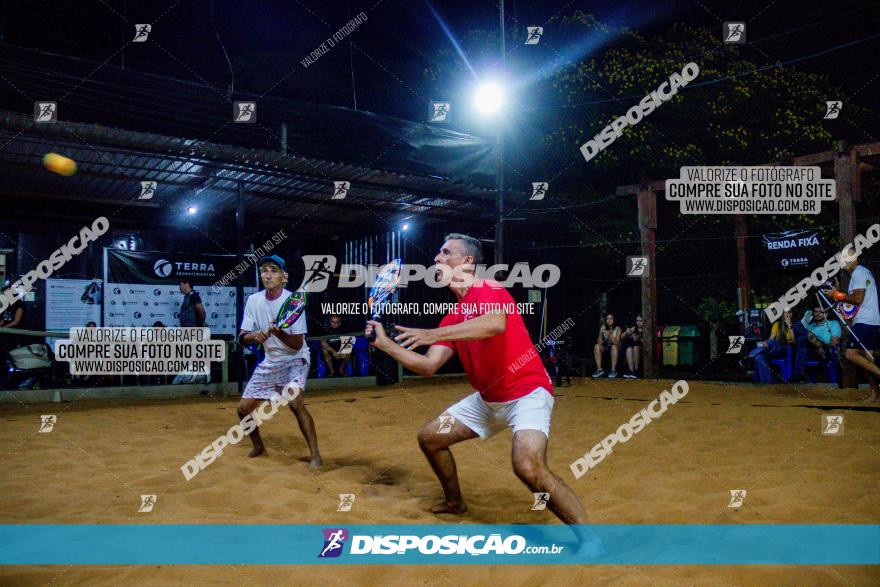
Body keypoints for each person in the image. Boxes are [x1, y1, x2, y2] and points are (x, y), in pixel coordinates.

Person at [366, 233, 592, 533]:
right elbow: (428, 366)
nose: (437, 259)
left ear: (467, 262)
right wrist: (386, 346)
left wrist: (433, 334)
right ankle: (455, 502)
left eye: (446, 253)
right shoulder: (453, 317)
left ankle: (589, 538)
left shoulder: (489, 288)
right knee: (430, 438)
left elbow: (494, 324)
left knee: (527, 467)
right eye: (438, 253)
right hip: (487, 400)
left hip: (527, 394)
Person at [237, 255, 322, 467]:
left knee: (295, 403)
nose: (267, 275)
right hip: (270, 361)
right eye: (264, 270)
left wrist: (278, 332)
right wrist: (253, 336)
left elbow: (296, 344)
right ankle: (258, 446)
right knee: (243, 409)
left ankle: (315, 456)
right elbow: (241, 337)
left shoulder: (293, 301)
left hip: (296, 359)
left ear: (284, 277)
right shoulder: (254, 300)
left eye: (273, 271)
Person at [823, 247, 880, 402]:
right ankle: (875, 393)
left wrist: (836, 294)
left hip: (865, 321)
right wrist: (840, 293)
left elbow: (857, 299)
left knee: (850, 353)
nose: (843, 262)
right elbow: (854, 299)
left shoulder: (858, 273)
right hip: (870, 320)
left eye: (846, 259)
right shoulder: (861, 273)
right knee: (865, 359)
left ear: (854, 258)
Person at [794, 305, 842, 380]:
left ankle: (799, 375)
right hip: (813, 350)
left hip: (826, 349)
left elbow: (835, 342)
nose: (817, 314)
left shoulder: (833, 324)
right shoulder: (811, 326)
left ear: (826, 314)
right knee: (801, 337)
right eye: (815, 312)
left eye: (821, 312)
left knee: (803, 334)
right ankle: (800, 376)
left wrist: (822, 344)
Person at [748, 309, 794, 383]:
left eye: (790, 312)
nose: (788, 314)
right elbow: (771, 338)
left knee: (772, 342)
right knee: (759, 357)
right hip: (772, 349)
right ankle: (770, 382)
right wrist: (766, 342)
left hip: (783, 350)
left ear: (792, 314)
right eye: (785, 313)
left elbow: (794, 341)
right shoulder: (777, 324)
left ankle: (750, 355)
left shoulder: (794, 325)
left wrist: (790, 326)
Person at [592, 313, 621, 378]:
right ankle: (599, 370)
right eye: (607, 319)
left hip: (616, 350)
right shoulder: (604, 328)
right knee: (596, 346)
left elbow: (617, 343)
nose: (609, 320)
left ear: (614, 320)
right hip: (607, 349)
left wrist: (609, 335)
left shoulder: (618, 329)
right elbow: (599, 343)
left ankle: (613, 370)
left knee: (613, 346)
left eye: (611, 318)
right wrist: (600, 332)